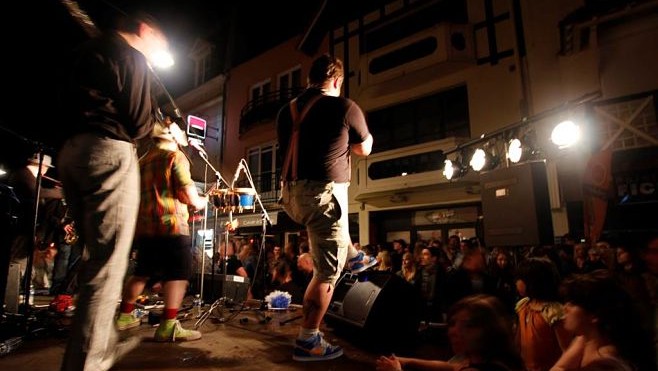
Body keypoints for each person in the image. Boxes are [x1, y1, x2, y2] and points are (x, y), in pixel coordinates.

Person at [57, 12, 173, 371]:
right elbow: (138, 122)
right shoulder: (131, 55)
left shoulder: (85, 51)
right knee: (107, 266)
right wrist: (163, 128)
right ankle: (89, 362)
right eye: (160, 46)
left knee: (96, 258)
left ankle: (98, 348)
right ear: (145, 28)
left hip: (70, 152)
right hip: (108, 152)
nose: (157, 56)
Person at [276, 53, 376, 361]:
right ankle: (309, 339)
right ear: (336, 81)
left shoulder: (286, 110)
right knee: (327, 272)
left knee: (333, 219)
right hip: (322, 194)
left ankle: (356, 256)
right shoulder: (344, 106)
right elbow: (364, 148)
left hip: (291, 195)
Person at [115, 120, 207, 341]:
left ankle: (124, 316)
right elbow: (186, 193)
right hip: (172, 226)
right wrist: (201, 201)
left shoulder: (142, 161)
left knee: (142, 273)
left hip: (146, 228)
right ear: (175, 139)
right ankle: (168, 326)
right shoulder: (174, 157)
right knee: (179, 275)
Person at [376, 295, 525, 371]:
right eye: (453, 324)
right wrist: (407, 361)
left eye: (468, 326)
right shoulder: (486, 359)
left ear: (490, 330)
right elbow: (449, 367)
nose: (454, 331)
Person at [551, 269, 657, 371]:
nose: (565, 308)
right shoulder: (588, 339)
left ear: (594, 315)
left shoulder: (606, 363)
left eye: (573, 303)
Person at [7, 153, 63, 279]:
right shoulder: (24, 174)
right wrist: (61, 193)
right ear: (43, 166)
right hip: (22, 225)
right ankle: (11, 289)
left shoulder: (29, 175)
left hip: (28, 225)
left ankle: (16, 287)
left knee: (22, 259)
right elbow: (37, 193)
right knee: (16, 260)